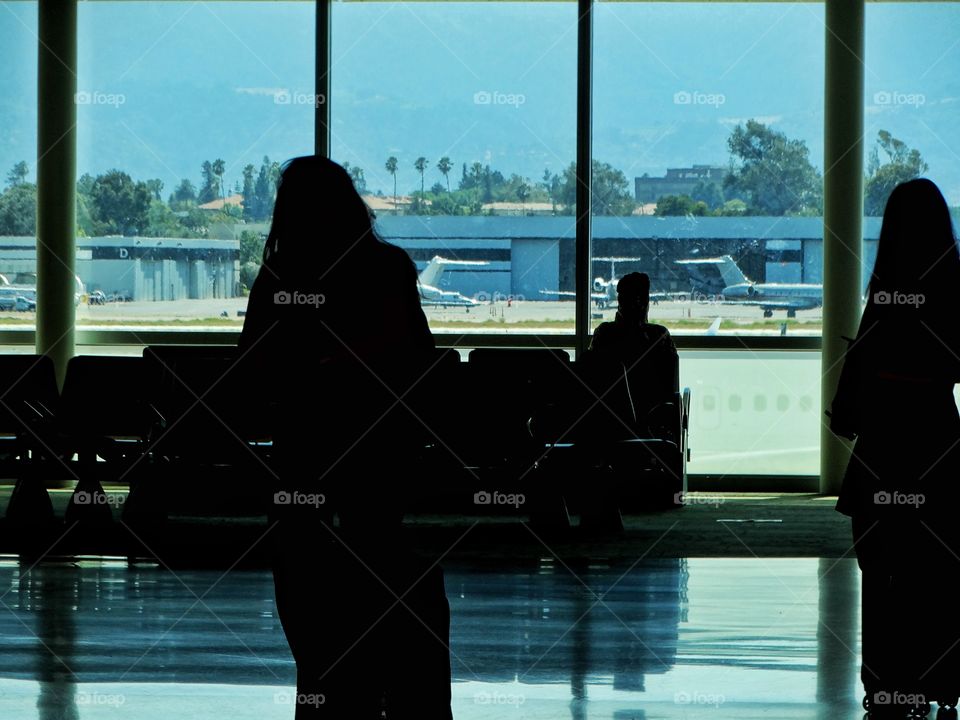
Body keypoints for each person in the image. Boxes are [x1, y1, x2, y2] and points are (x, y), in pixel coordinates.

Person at [239, 156, 452, 719]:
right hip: (380, 446)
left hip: (304, 444)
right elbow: (419, 360)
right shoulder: (386, 268)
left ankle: (323, 681)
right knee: (375, 551)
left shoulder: (281, 277)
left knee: (299, 561)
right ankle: (377, 682)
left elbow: (252, 368)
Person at [830, 178, 960, 716]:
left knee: (883, 583)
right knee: (938, 574)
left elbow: (850, 405)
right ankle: (940, 682)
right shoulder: (951, 290)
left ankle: (887, 685)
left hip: (882, 455)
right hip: (937, 450)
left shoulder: (883, 297)